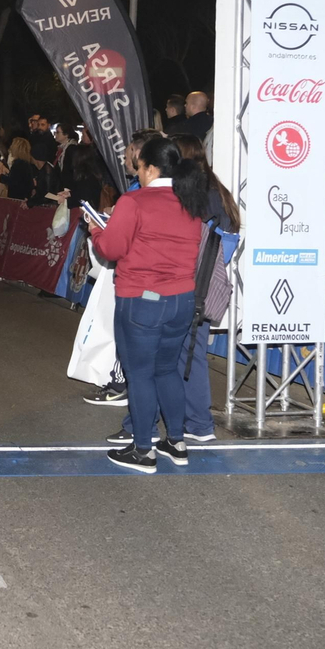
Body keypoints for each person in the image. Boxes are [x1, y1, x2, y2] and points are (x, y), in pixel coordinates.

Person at [86, 137, 209, 472]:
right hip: (181, 301)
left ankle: (143, 450)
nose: (137, 174)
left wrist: (96, 231)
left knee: (139, 374)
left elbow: (111, 249)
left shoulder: (134, 201)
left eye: (139, 168)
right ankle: (176, 442)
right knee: (166, 370)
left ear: (152, 168)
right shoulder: (190, 202)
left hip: (141, 300)